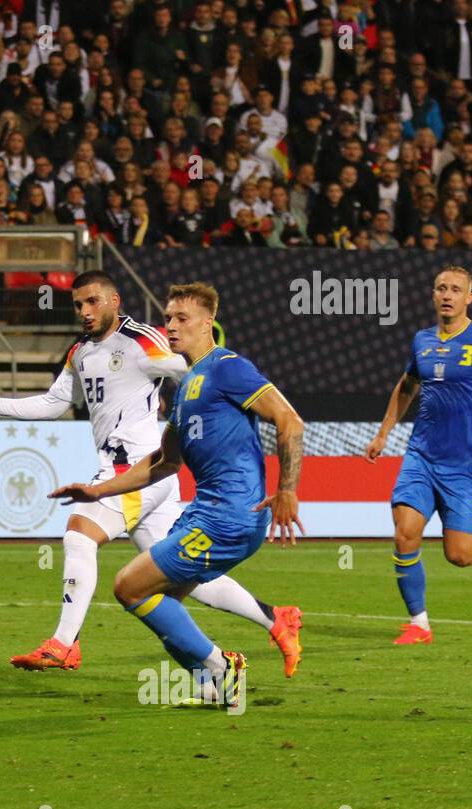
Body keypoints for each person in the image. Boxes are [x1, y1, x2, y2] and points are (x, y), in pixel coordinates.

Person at [0, 272, 303, 677]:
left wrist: (211, 386)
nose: (84, 311)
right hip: (145, 474)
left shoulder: (145, 341)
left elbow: (192, 369)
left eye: (93, 302)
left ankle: (65, 643)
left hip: (136, 466)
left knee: (81, 534)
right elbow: (53, 403)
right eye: (78, 304)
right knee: (173, 577)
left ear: (115, 301)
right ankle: (273, 620)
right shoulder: (80, 353)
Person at [47, 281, 307, 706]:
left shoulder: (228, 368)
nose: (170, 325)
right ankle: (215, 686)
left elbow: (289, 421)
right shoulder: (187, 386)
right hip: (203, 513)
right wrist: (98, 490)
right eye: (168, 317)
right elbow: (163, 463)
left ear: (208, 324)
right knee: (164, 602)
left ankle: (222, 667)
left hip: (231, 515)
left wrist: (287, 490)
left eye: (182, 318)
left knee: (129, 587)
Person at [364, 266, 472, 644]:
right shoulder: (422, 341)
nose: (447, 294)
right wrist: (383, 432)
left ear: (468, 298)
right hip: (420, 456)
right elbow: (406, 385)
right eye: (441, 287)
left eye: (456, 289)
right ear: (433, 294)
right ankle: (419, 624)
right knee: (405, 533)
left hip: (463, 465)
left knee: (461, 556)